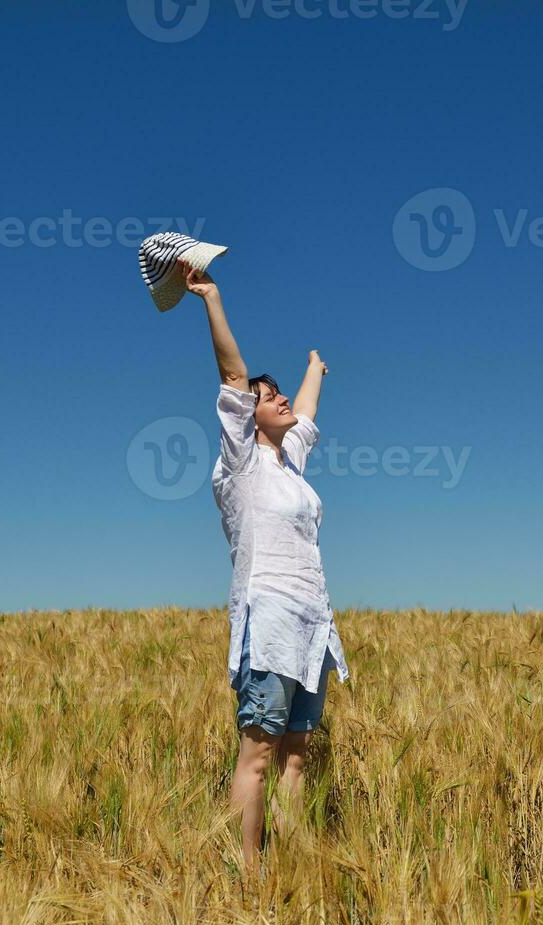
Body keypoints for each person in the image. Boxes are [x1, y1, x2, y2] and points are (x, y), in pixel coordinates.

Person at [180, 259, 351, 869]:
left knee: (297, 752)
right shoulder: (239, 465)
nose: (277, 399)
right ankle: (246, 872)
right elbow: (232, 373)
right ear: (245, 418)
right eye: (267, 396)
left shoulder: (290, 466)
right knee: (258, 751)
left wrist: (313, 369)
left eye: (277, 393)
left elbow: (304, 417)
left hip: (311, 623)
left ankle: (291, 855)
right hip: (270, 616)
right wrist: (210, 298)